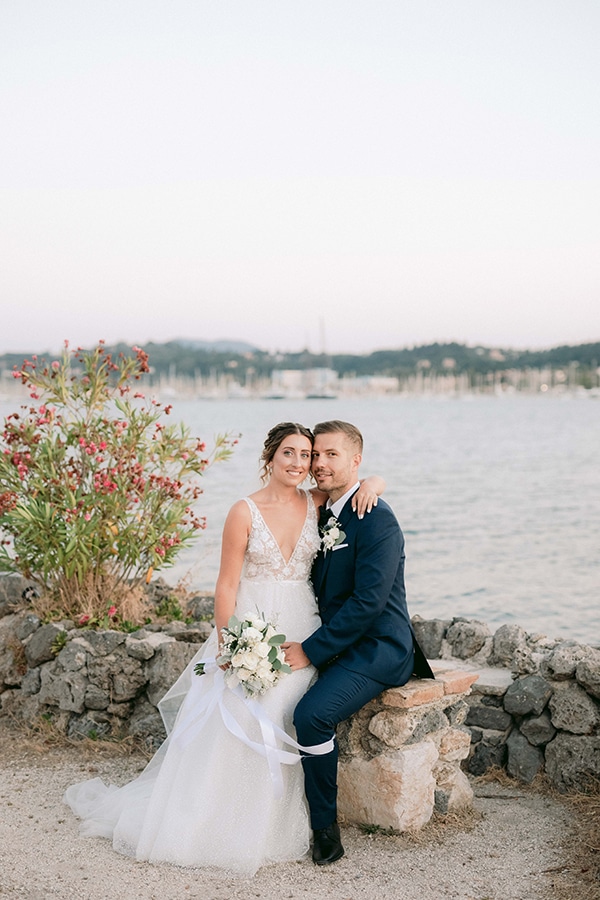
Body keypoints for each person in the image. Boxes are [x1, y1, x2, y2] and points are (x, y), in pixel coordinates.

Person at [64, 422, 383, 875]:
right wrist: (230, 642)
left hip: (303, 626)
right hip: (254, 624)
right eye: (289, 453)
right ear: (270, 458)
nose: (300, 463)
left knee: (289, 709)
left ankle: (278, 824)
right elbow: (226, 584)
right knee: (241, 713)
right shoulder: (244, 511)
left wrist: (374, 482)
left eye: (307, 455)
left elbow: (357, 485)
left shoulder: (316, 504)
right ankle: (216, 822)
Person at [282, 420, 434, 866]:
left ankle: (324, 829)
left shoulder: (377, 518)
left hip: (377, 647)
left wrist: (311, 650)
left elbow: (369, 604)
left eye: (332, 455)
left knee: (310, 715)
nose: (320, 464)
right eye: (316, 455)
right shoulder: (321, 511)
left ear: (355, 460)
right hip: (336, 641)